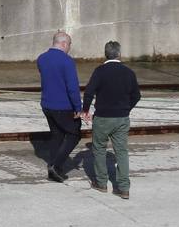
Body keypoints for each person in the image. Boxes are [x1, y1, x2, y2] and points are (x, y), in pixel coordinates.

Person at [81, 40, 141, 199]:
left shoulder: (99, 71)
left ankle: (101, 183)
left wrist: (85, 110)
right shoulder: (129, 72)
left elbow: (88, 93)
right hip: (121, 118)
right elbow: (136, 96)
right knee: (121, 151)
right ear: (119, 54)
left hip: (102, 118)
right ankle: (124, 188)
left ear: (105, 54)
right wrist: (126, 109)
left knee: (99, 149)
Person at [36, 31, 82, 181]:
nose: (69, 47)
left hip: (47, 104)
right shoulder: (67, 61)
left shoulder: (41, 59)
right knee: (74, 134)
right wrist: (78, 107)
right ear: (63, 44)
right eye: (69, 44)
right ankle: (56, 165)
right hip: (63, 106)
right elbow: (72, 87)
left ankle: (53, 165)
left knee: (57, 134)